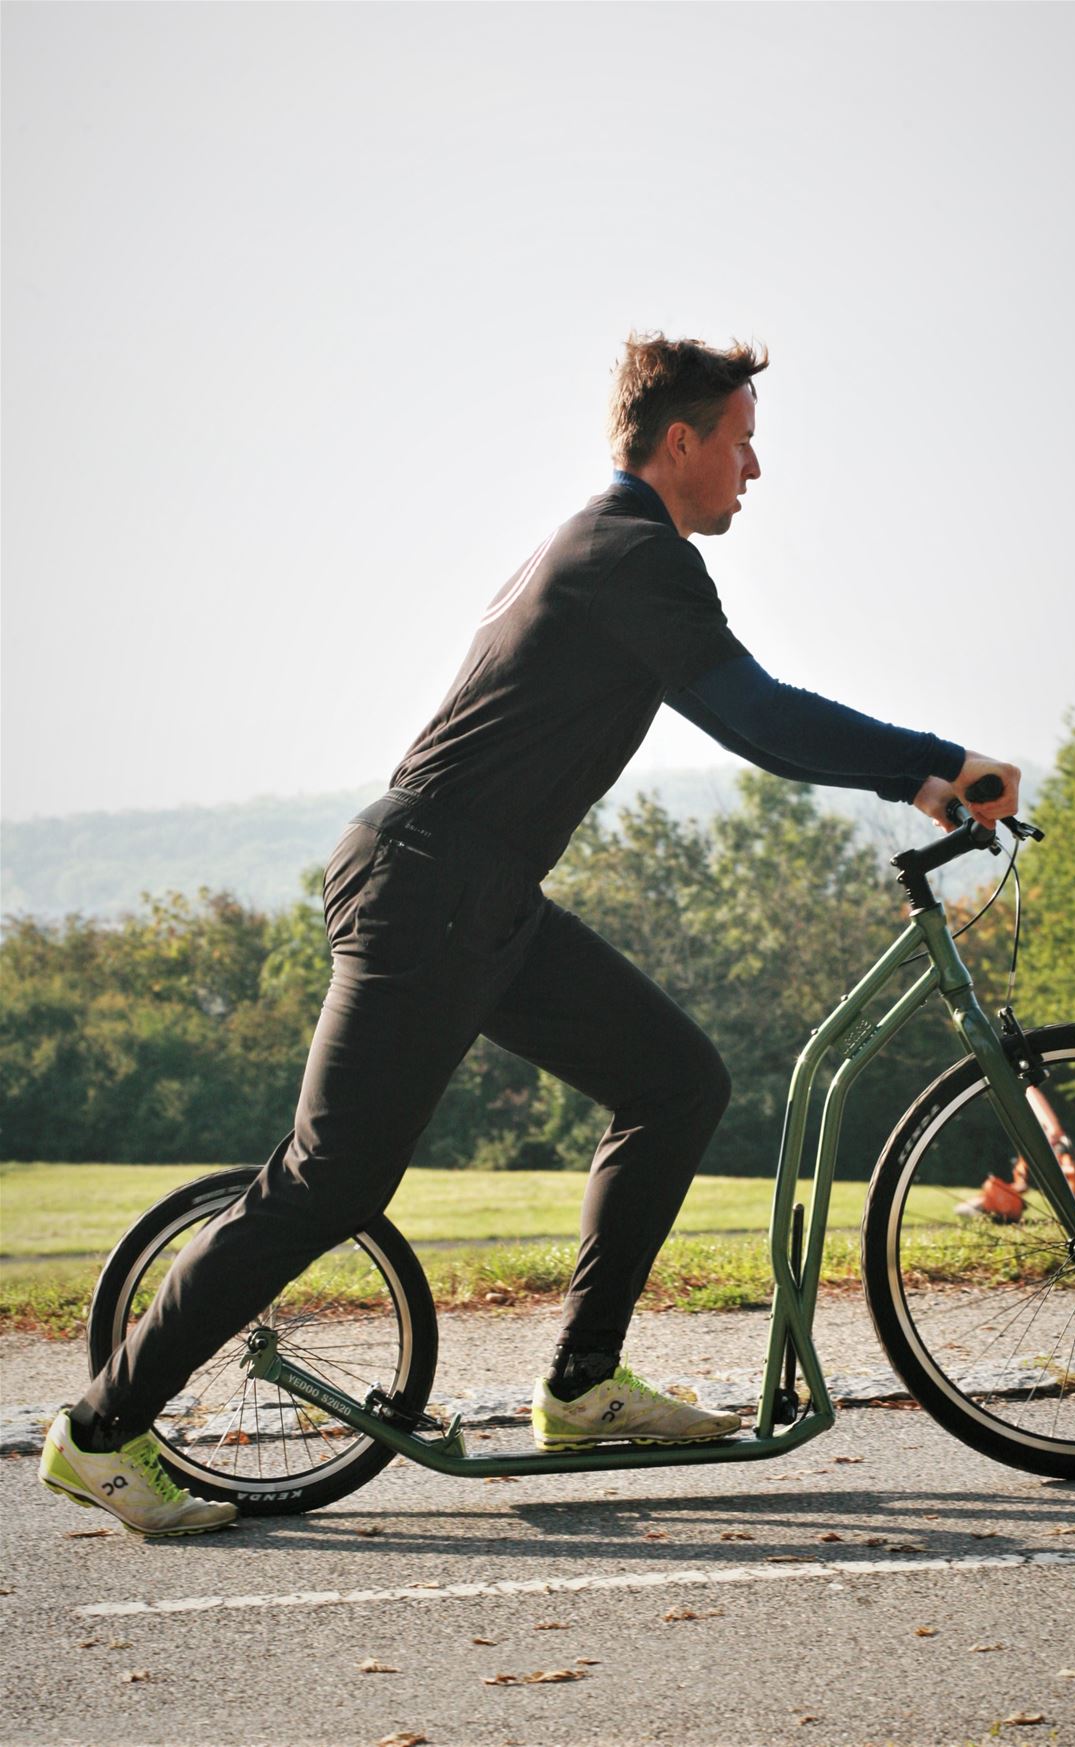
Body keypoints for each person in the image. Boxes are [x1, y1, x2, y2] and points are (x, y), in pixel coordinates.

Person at [40, 334, 1020, 1535]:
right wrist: (935, 759)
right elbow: (759, 717)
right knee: (331, 1180)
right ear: (681, 443)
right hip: (428, 888)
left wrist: (915, 787)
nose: (755, 467)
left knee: (675, 1080)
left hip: (478, 894)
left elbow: (751, 716)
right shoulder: (629, 554)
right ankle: (99, 1429)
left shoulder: (604, 545)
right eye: (743, 438)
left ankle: (582, 1386)